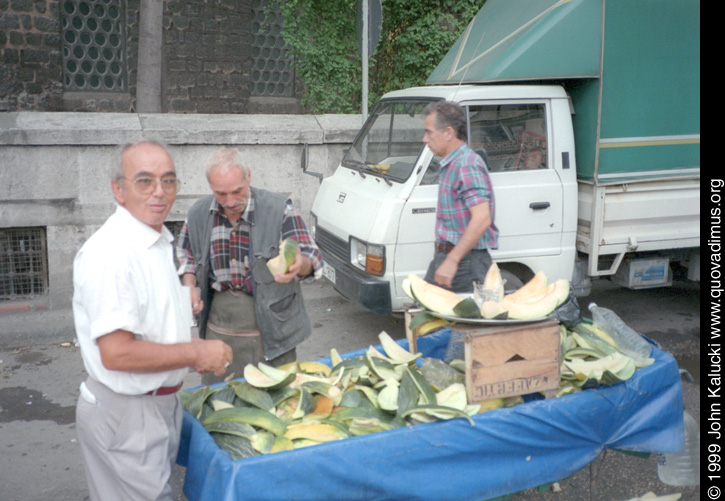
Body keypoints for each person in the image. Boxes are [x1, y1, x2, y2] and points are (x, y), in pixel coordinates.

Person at [72, 141, 233, 501]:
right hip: (128, 413)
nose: (159, 192)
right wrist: (194, 353)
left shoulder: (155, 238)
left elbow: (145, 308)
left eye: (168, 180)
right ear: (119, 189)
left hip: (156, 406)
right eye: (144, 181)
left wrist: (182, 297)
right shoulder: (111, 254)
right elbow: (117, 353)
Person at [176, 148, 323, 384]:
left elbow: (311, 255)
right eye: (220, 194)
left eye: (237, 191)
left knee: (278, 402)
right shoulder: (198, 213)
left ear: (249, 177)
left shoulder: (279, 209)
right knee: (221, 404)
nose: (231, 201)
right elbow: (186, 254)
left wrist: (300, 265)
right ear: (210, 186)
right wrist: (189, 284)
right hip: (219, 328)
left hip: (274, 332)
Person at [422, 100, 499, 292]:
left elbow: (482, 219)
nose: (425, 139)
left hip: (465, 263)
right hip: (450, 257)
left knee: (460, 321)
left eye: (429, 132)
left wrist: (452, 261)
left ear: (448, 133)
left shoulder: (466, 164)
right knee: (426, 316)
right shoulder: (451, 164)